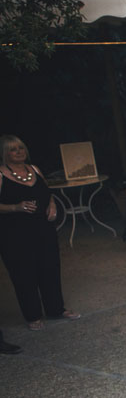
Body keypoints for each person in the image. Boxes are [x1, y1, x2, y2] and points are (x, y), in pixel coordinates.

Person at [0, 135, 80, 330]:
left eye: (21, 148)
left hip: (43, 228)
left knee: (50, 268)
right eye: (13, 149)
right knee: (24, 273)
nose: (19, 152)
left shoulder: (34, 169)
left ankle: (55, 309)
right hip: (15, 233)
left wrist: (52, 205)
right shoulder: (1, 175)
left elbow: (46, 192)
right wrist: (15, 207)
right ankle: (33, 315)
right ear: (5, 153)